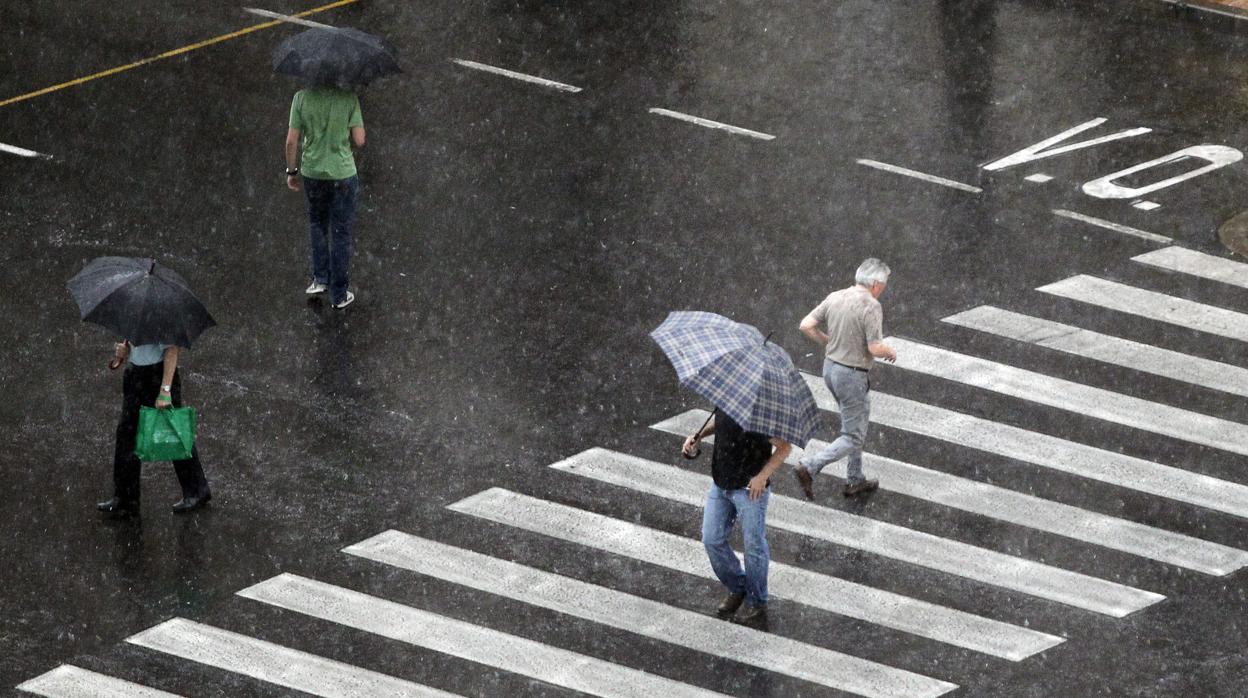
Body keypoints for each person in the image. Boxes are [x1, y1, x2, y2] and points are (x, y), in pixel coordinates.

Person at [794, 258, 897, 499]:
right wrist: (889, 351)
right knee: (852, 436)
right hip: (851, 376)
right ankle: (809, 466)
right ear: (874, 284)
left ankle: (855, 478)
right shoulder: (870, 306)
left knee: (855, 424)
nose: (882, 289)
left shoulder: (836, 296)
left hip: (830, 369)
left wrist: (828, 342)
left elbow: (806, 325)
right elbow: (874, 347)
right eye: (882, 284)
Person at [683, 408, 791, 624]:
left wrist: (762, 476)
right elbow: (722, 423)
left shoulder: (761, 412)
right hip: (721, 481)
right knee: (711, 539)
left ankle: (757, 601)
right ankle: (739, 586)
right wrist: (699, 435)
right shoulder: (727, 399)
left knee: (753, 546)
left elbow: (784, 447)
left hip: (750, 489)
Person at [96, 341, 212, 517]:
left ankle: (197, 490)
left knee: (174, 431)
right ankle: (126, 499)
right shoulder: (135, 313)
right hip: (134, 374)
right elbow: (135, 345)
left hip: (158, 375)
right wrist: (123, 352)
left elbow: (172, 348)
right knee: (126, 434)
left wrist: (165, 390)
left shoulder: (161, 314)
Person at [285, 85, 366, 309]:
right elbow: (360, 140)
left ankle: (320, 278)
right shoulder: (349, 97)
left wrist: (291, 172)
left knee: (317, 223)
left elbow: (291, 141)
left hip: (313, 173)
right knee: (341, 233)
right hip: (343, 174)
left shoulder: (300, 98)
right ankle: (339, 294)